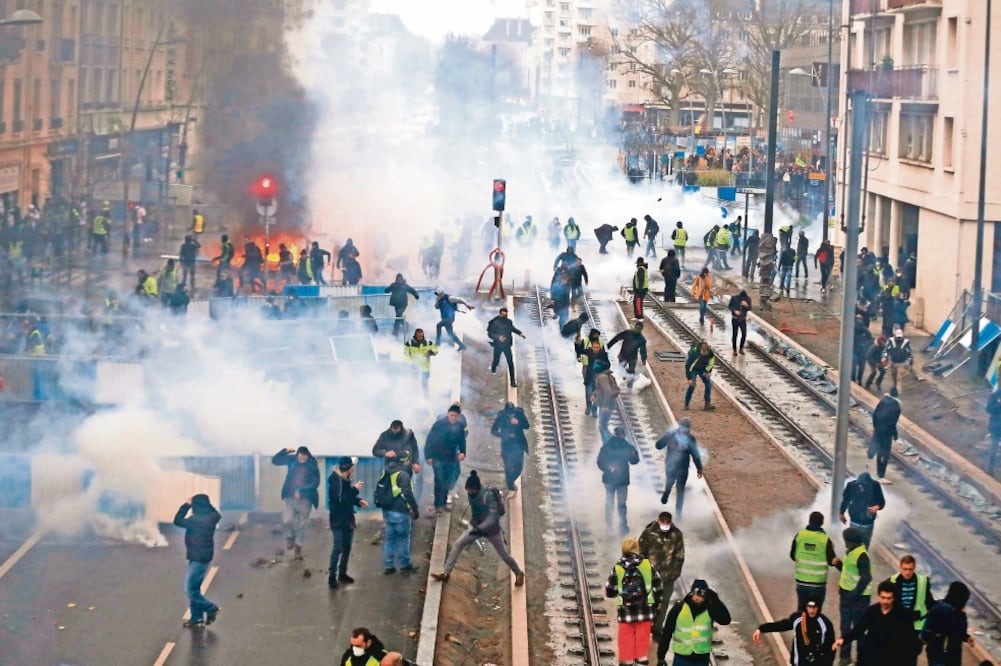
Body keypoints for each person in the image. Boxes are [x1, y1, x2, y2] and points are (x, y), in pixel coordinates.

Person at [431, 471, 525, 585]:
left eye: (471, 490)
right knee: (458, 544)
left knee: (503, 554)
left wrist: (480, 528)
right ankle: (446, 573)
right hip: (476, 527)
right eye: (468, 490)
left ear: (476, 488)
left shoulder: (488, 495)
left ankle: (519, 573)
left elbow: (493, 517)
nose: (469, 492)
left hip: (492, 531)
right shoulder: (472, 494)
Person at [832, 579, 919, 666]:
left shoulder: (902, 614)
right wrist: (844, 639)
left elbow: (910, 639)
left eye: (889, 598)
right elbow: (859, 629)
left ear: (894, 598)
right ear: (878, 596)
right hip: (871, 656)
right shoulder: (872, 611)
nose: (885, 601)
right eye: (883, 597)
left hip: (892, 658)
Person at [606, 536, 663, 666]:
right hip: (645, 612)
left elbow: (610, 591)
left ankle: (627, 662)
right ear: (637, 549)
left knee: (626, 643)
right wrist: (656, 604)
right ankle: (641, 662)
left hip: (625, 613)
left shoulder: (618, 567)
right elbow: (658, 587)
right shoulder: (647, 565)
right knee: (642, 644)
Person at [173, 494, 221, 629]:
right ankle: (197, 618)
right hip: (204, 556)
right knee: (195, 589)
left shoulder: (195, 520)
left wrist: (186, 505)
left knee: (189, 590)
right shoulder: (212, 517)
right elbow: (215, 512)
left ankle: (211, 608)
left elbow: (177, 520)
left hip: (197, 557)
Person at [657, 578, 731, 665]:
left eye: (702, 594)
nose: (698, 597)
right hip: (681, 658)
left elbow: (725, 620)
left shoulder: (710, 609)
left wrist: (715, 599)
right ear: (691, 593)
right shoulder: (679, 608)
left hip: (701, 659)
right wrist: (661, 657)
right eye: (697, 593)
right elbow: (667, 633)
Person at [752, 595, 837, 666]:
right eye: (809, 607)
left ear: (819, 608)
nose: (811, 611)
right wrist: (761, 629)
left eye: (814, 608)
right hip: (797, 663)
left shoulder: (825, 624)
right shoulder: (798, 619)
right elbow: (781, 625)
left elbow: (831, 648)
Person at [639, 512, 685, 635]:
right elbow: (641, 551)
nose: (664, 524)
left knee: (664, 602)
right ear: (658, 521)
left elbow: (679, 556)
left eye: (667, 522)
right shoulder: (649, 533)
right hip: (650, 575)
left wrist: (675, 573)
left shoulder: (676, 535)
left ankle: (657, 628)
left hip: (668, 576)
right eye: (662, 521)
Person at [271, 446, 320, 559]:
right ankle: (290, 537)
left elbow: (316, 483)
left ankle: (298, 547)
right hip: (290, 498)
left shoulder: (312, 465)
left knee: (302, 526)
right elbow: (275, 461)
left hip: (306, 500)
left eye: (305, 455)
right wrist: (285, 451)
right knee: (287, 520)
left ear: (308, 456)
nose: (302, 457)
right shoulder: (291, 460)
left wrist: (302, 489)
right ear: (297, 455)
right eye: (300, 455)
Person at [377, 447, 420, 574]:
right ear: (405, 460)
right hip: (400, 511)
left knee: (390, 539)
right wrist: (414, 508)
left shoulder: (387, 471)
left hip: (387, 511)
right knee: (403, 538)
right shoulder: (403, 475)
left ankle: (389, 566)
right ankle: (405, 564)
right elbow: (407, 493)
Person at [835, 527, 874, 665]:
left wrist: (853, 594)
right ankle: (845, 658)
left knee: (859, 629)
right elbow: (848, 570)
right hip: (847, 596)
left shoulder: (862, 556)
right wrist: (838, 564)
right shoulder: (851, 552)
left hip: (859, 599)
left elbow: (866, 577)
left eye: (846, 540)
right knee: (845, 628)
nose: (844, 543)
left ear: (851, 541)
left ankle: (861, 659)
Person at [327, 456, 367, 589]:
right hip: (338, 519)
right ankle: (332, 576)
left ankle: (342, 574)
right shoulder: (335, 481)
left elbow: (348, 497)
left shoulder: (345, 479)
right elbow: (340, 499)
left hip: (347, 518)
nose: (354, 468)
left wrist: (358, 501)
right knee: (338, 547)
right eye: (353, 466)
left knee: (347, 547)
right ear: (349, 468)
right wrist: (355, 489)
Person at [886, 554, 935, 660]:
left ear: (914, 568)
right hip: (898, 624)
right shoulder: (892, 581)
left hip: (915, 626)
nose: (907, 572)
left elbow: (929, 602)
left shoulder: (923, 581)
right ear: (900, 567)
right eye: (905, 569)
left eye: (910, 569)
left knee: (911, 657)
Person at [790, 511, 841, 611]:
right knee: (815, 612)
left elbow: (792, 556)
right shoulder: (825, 539)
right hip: (818, 583)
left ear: (809, 521)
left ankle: (800, 626)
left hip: (801, 582)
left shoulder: (799, 535)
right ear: (822, 523)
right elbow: (832, 561)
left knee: (801, 611)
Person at [655, 418, 703, 521]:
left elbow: (695, 454)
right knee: (673, 485)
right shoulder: (673, 435)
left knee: (678, 488)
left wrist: (699, 467)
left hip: (681, 467)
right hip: (674, 466)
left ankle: (678, 513)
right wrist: (667, 440)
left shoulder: (688, 438)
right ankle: (667, 495)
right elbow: (658, 445)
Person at [597, 426, 640, 533]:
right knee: (621, 504)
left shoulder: (606, 447)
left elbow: (600, 462)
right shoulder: (628, 447)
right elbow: (634, 461)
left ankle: (609, 526)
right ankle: (622, 526)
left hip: (610, 480)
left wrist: (608, 469)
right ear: (623, 435)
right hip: (622, 481)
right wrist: (635, 455)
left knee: (609, 503)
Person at [425, 404, 467, 513]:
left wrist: (463, 452)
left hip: (452, 457)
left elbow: (462, 441)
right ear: (448, 414)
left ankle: (443, 503)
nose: (453, 418)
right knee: (439, 481)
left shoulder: (460, 426)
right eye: (451, 415)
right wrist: (428, 455)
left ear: (458, 416)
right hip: (438, 456)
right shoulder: (439, 425)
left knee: (448, 481)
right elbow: (430, 439)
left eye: (455, 416)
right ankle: (438, 504)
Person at [922, 581, 975, 666]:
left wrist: (966, 637)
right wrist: (961, 615)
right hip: (944, 655)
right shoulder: (950, 612)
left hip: (940, 654)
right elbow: (956, 631)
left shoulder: (940, 606)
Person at [490, 402, 530, 496]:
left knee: (518, 467)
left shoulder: (519, 413)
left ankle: (509, 482)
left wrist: (518, 423)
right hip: (506, 446)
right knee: (508, 468)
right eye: (509, 414)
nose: (510, 416)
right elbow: (493, 430)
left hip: (518, 444)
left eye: (512, 414)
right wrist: (504, 435)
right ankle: (511, 487)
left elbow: (527, 425)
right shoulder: (501, 416)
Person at [839, 472, 885, 548]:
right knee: (852, 545)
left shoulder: (875, 485)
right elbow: (845, 500)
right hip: (854, 521)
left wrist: (876, 507)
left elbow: (882, 502)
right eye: (860, 485)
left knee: (864, 546)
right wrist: (841, 513)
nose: (861, 487)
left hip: (867, 523)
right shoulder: (851, 485)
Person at [487, 306, 526, 388]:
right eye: (502, 314)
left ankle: (512, 381)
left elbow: (512, 328)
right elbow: (490, 334)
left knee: (510, 363)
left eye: (505, 315)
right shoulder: (494, 322)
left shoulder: (508, 322)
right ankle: (493, 368)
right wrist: (498, 337)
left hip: (507, 346)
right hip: (498, 345)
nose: (504, 316)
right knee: (496, 360)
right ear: (500, 314)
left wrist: (520, 333)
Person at [870, 388, 901, 484]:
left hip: (878, 430)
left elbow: (874, 414)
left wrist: (875, 426)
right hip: (886, 433)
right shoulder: (897, 407)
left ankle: (872, 455)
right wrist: (895, 435)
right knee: (885, 454)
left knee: (879, 450)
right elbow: (893, 423)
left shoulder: (882, 401)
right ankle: (881, 475)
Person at [403, 329, 437, 395]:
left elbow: (436, 350)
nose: (420, 338)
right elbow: (406, 354)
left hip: (425, 367)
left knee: (424, 383)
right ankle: (415, 397)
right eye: (419, 336)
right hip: (414, 367)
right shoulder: (409, 343)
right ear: (415, 335)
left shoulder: (428, 342)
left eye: (422, 336)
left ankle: (426, 397)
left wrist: (430, 352)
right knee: (414, 383)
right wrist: (411, 363)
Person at [684, 342, 716, 411]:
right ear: (700, 351)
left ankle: (707, 404)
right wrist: (689, 378)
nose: (704, 356)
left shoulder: (710, 353)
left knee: (708, 383)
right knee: (692, 385)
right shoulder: (694, 353)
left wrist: (708, 371)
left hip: (703, 369)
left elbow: (711, 362)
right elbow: (688, 366)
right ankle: (686, 404)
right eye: (703, 354)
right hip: (693, 369)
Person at [594, 363, 621, 441]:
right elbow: (602, 389)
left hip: (606, 405)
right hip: (608, 404)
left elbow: (608, 391)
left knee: (603, 427)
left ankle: (613, 444)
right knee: (603, 426)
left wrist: (605, 406)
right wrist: (594, 394)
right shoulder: (606, 376)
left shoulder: (602, 377)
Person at [886, 327, 913, 393]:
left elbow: (909, 352)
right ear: (894, 335)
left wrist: (910, 361)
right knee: (894, 376)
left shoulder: (906, 342)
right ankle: (895, 387)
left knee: (899, 378)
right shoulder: (890, 341)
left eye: (900, 337)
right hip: (893, 362)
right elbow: (886, 350)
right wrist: (885, 358)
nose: (899, 338)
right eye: (897, 337)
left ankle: (898, 391)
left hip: (902, 363)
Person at [727, 290, 752, 355]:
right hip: (735, 319)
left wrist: (746, 305)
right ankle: (734, 350)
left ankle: (741, 348)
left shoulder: (748, 299)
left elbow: (750, 308)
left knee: (744, 334)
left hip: (743, 319)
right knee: (735, 334)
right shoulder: (734, 298)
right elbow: (730, 306)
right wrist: (735, 311)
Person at [852, 315, 874, 384]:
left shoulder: (866, 331)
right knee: (853, 366)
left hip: (863, 352)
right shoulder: (852, 331)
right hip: (854, 351)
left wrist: (865, 345)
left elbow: (871, 340)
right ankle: (853, 379)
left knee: (862, 367)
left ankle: (859, 379)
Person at [988, 389, 1001, 474]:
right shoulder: (995, 395)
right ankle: (990, 468)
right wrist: (999, 404)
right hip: (996, 427)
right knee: (994, 448)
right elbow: (989, 409)